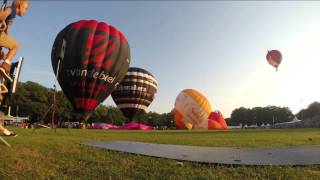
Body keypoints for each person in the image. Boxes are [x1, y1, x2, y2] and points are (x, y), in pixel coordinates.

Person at [0, 0, 29, 82]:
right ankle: (5, 67)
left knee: (3, 56)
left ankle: (3, 67)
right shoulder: (11, 10)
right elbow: (2, 16)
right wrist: (3, 21)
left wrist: (5, 27)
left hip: (2, 35)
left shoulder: (13, 14)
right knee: (16, 45)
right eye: (25, 9)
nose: (25, 11)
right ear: (20, 6)